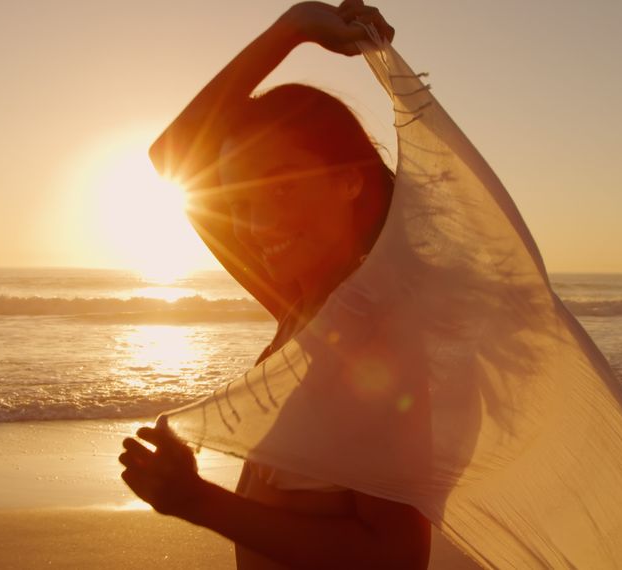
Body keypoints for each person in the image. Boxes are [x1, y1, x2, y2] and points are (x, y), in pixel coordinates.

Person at [118, 2, 433, 568]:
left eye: (281, 189)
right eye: (237, 201)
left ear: (349, 182)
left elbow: (397, 556)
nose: (256, 223)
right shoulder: (303, 303)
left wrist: (196, 501)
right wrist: (292, 29)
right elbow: (173, 157)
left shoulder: (374, 335)